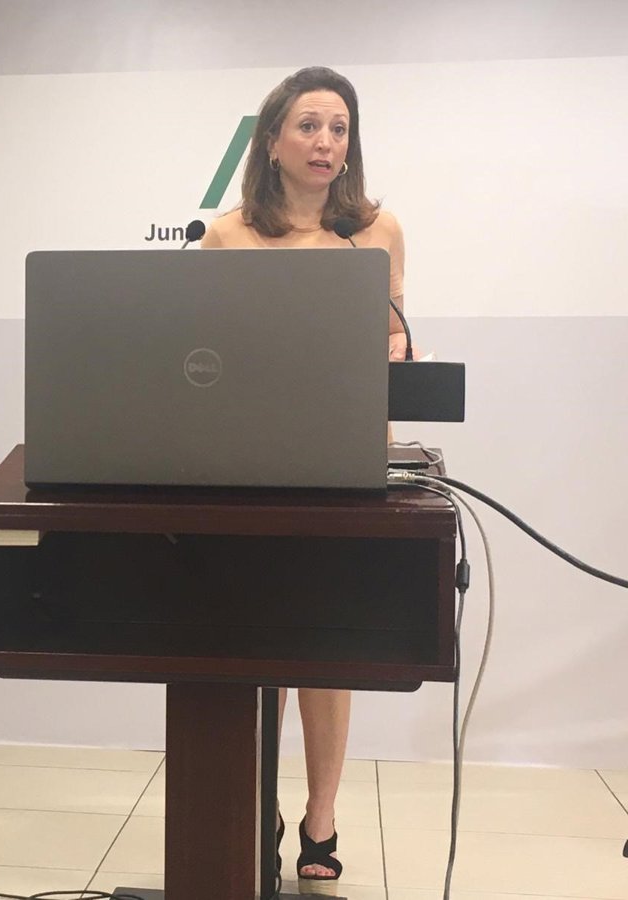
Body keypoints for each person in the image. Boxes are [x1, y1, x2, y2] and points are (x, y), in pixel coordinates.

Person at [201, 66, 407, 891]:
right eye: (310, 126)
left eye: (340, 128)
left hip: (346, 462)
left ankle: (320, 818)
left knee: (326, 647)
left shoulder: (377, 229)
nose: (326, 142)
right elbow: (206, 359)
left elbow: (395, 335)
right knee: (263, 644)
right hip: (254, 463)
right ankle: (259, 803)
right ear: (272, 141)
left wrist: (397, 349)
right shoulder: (228, 236)